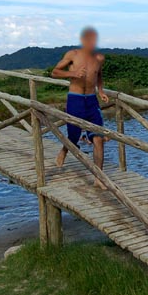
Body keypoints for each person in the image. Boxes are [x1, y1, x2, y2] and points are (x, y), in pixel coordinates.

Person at [51, 27, 109, 189]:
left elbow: (99, 75)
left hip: (91, 101)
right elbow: (55, 72)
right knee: (74, 136)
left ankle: (99, 178)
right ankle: (64, 150)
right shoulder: (72, 55)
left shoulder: (99, 58)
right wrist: (73, 74)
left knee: (98, 138)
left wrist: (101, 91)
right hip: (75, 99)